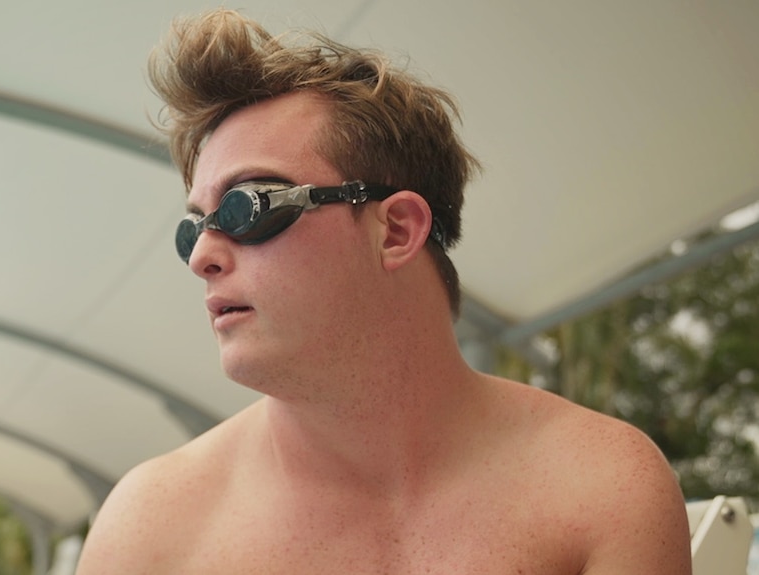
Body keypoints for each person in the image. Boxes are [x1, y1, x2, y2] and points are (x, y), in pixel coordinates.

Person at [76, 9, 691, 574]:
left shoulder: (598, 487)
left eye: (247, 206)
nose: (203, 256)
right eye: (194, 228)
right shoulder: (150, 530)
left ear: (396, 230)